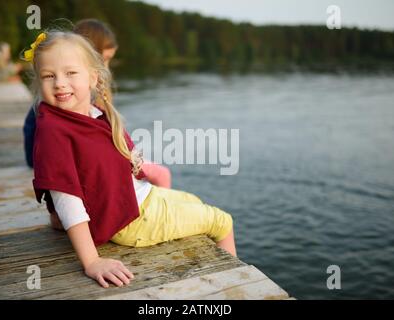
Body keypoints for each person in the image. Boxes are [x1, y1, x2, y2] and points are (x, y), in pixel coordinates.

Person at [25, 30, 237, 288]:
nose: (59, 83)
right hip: (132, 220)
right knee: (222, 221)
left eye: (70, 73)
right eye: (49, 76)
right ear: (38, 82)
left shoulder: (90, 113)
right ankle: (234, 288)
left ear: (93, 77)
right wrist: (92, 261)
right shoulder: (53, 131)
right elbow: (66, 198)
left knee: (193, 201)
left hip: (138, 200)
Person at [23, 19, 171, 188]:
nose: (107, 67)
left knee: (147, 171)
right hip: (49, 159)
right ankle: (151, 208)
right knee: (161, 174)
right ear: (91, 56)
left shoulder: (59, 93)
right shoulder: (75, 94)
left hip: (49, 156)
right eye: (105, 59)